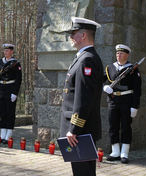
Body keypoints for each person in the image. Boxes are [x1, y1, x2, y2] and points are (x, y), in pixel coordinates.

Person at [60, 17, 103, 176]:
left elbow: (83, 98)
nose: (71, 37)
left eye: (74, 33)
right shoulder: (84, 57)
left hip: (80, 131)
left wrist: (74, 129)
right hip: (80, 131)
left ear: (83, 35)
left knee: (83, 173)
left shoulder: (87, 59)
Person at [103, 44, 142, 164]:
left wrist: (135, 106)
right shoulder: (110, 67)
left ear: (127, 55)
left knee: (125, 126)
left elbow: (138, 88)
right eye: (117, 53)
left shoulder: (132, 69)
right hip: (113, 101)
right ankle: (115, 151)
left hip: (126, 101)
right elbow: (103, 80)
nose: (118, 56)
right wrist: (105, 87)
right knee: (113, 126)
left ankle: (124, 152)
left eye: (121, 53)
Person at [0, 44, 22, 144]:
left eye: (8, 51)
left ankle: (9, 133)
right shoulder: (0, 62)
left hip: (10, 88)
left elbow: (18, 80)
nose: (6, 52)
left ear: (12, 51)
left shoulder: (15, 63)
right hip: (1, 88)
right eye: (5, 51)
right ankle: (2, 133)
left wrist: (15, 93)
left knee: (10, 112)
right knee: (2, 112)